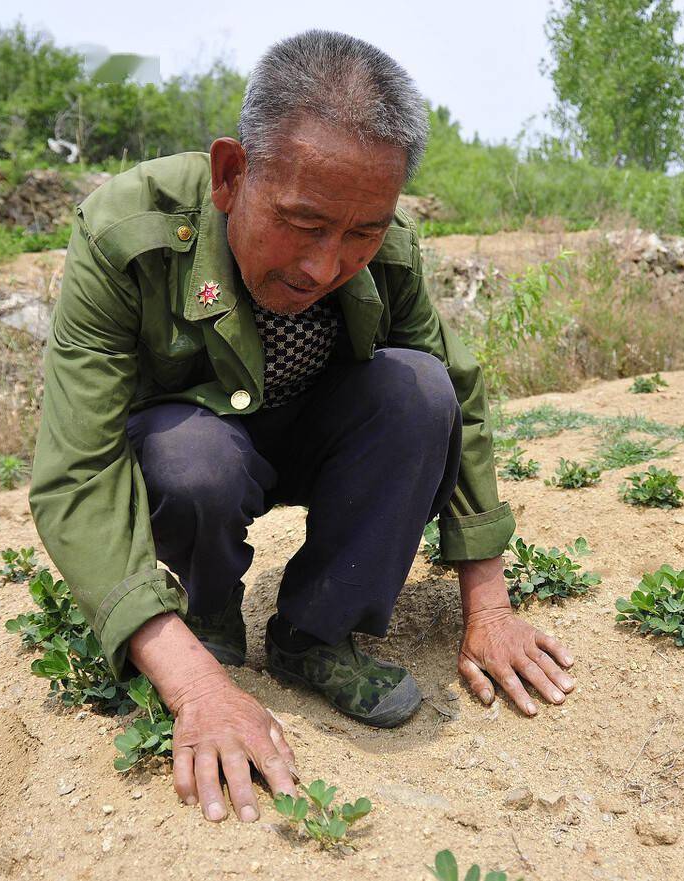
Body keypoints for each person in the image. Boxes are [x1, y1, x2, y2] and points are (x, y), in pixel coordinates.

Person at [28, 30, 576, 824]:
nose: (326, 265)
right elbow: (76, 470)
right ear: (230, 175)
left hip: (308, 439)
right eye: (303, 223)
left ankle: (316, 635)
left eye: (361, 233)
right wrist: (188, 681)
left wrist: (487, 605)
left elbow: (455, 388)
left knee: (419, 391)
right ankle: (205, 612)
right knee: (193, 459)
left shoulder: (387, 250)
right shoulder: (128, 237)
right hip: (198, 453)